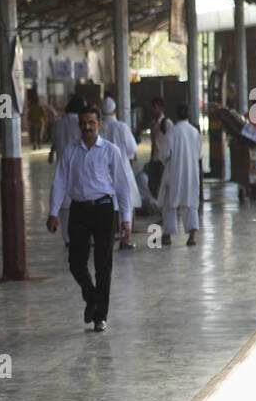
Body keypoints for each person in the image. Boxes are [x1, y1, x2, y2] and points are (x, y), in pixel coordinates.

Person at [47, 105, 131, 332]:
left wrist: (126, 219)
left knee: (103, 264)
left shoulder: (110, 150)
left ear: (99, 124)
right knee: (76, 263)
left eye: (91, 123)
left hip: (104, 209)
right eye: (83, 123)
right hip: (78, 210)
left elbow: (122, 186)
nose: (87, 127)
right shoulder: (70, 151)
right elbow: (60, 182)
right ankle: (92, 297)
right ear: (79, 125)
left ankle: (100, 315)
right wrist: (53, 211)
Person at [158, 104, 202, 246]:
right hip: (191, 172)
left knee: (169, 202)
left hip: (174, 171)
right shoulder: (195, 132)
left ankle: (168, 235)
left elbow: (164, 154)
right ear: (189, 115)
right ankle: (193, 235)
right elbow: (199, 155)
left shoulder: (172, 132)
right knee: (190, 201)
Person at [101, 97, 142, 249]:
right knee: (126, 203)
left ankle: (108, 237)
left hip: (104, 172)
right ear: (115, 110)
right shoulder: (121, 127)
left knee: (107, 206)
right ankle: (125, 239)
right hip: (122, 169)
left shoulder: (99, 127)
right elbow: (132, 148)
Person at [54, 95, 85, 246]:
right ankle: (84, 235)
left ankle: (67, 238)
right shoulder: (79, 123)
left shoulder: (58, 123)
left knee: (63, 202)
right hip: (77, 166)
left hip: (61, 163)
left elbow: (54, 141)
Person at [148, 98, 173, 198]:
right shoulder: (153, 123)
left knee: (163, 184)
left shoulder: (166, 123)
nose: (152, 109)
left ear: (161, 108)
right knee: (153, 184)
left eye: (155, 107)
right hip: (155, 157)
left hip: (163, 160)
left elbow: (172, 142)